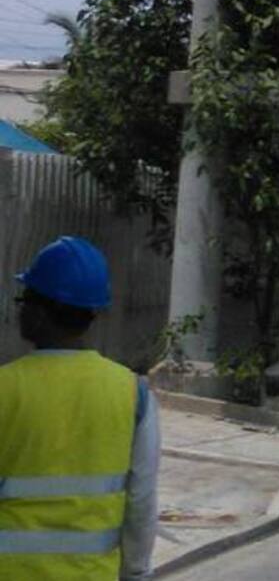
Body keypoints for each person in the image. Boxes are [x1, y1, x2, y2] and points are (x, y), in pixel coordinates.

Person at [0, 236, 159, 580]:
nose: (19, 310)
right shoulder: (133, 393)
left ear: (40, 312)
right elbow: (141, 501)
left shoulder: (5, 388)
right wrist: (135, 573)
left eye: (23, 300)